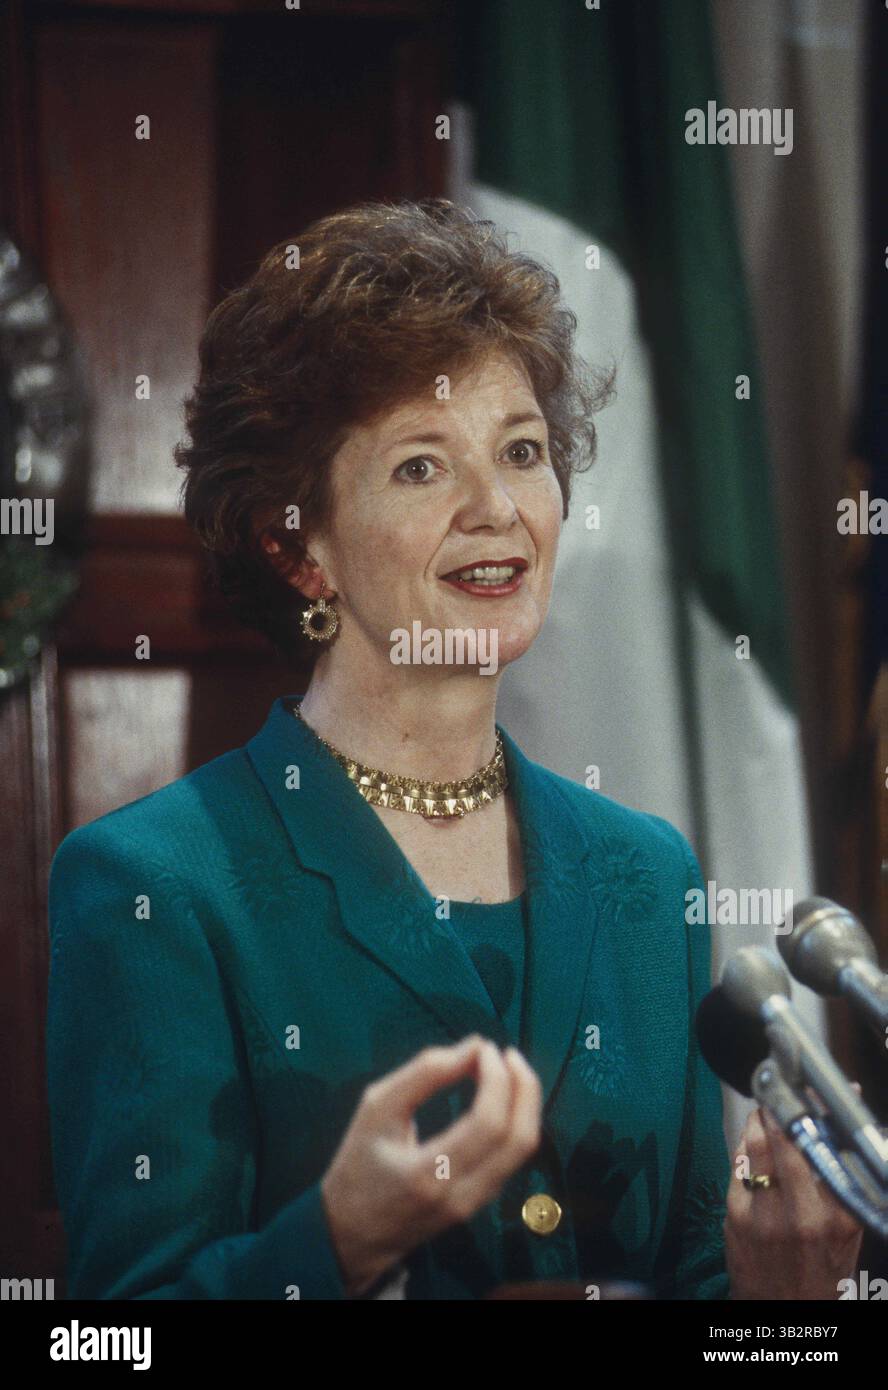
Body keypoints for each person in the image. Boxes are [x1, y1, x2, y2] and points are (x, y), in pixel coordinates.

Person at [46, 198, 864, 1300]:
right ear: (300, 547)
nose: (497, 508)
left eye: (521, 452)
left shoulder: (645, 870)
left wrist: (779, 1296)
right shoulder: (155, 884)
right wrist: (336, 1238)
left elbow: (690, 1276)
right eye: (422, 466)